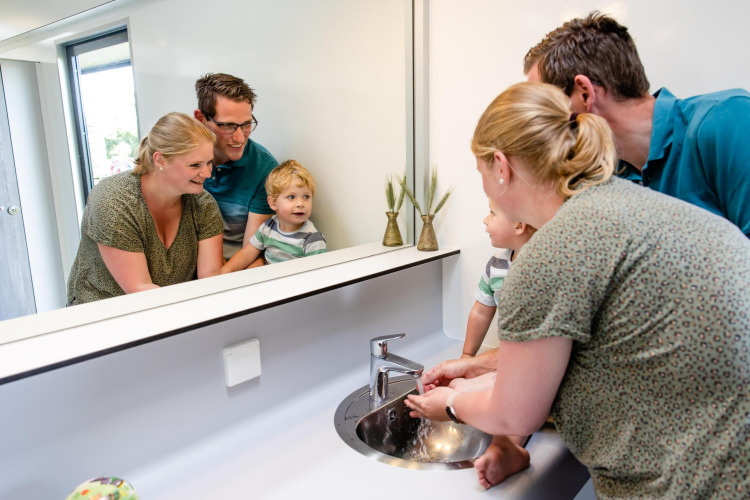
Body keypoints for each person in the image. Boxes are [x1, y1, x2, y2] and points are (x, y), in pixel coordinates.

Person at [405, 82, 750, 498]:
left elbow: (515, 414)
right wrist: (478, 370)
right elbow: (607, 350)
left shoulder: (549, 253)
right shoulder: (624, 199)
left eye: (480, 173)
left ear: (500, 166)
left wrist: (450, 404)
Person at [524, 12, 750, 237]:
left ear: (585, 93)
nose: (543, 128)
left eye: (546, 107)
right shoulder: (610, 177)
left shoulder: (726, 119)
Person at [67, 112, 224, 305]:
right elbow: (140, 289)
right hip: (103, 312)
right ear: (160, 160)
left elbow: (211, 279)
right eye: (195, 165)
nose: (207, 173)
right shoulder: (114, 201)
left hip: (171, 309)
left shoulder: (203, 204)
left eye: (209, 162)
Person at [194, 73, 279, 261]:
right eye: (228, 125)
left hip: (235, 265)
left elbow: (251, 251)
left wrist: (220, 273)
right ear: (200, 118)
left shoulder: (264, 169)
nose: (240, 137)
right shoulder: (183, 160)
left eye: (246, 124)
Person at [221, 160, 326, 272]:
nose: (300, 204)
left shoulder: (313, 240)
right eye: (291, 197)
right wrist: (224, 272)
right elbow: (247, 254)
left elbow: (316, 275)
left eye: (306, 197)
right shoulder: (268, 226)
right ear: (273, 203)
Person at [462, 199, 536, 358]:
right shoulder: (496, 263)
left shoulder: (544, 269)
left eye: (492, 213)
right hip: (506, 356)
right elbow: (481, 312)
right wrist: (467, 355)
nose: (485, 220)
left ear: (519, 225)